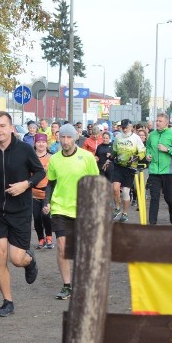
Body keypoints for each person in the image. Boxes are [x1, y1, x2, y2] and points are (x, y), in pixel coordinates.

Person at [0, 111, 43, 318]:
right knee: (0, 254)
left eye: (2, 126)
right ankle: (7, 301)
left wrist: (26, 184)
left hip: (20, 210)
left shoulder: (24, 149)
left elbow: (40, 172)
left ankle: (29, 261)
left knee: (16, 258)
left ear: (12, 128)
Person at [43, 124, 100, 300]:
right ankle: (67, 285)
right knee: (62, 247)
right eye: (62, 137)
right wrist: (46, 202)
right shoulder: (55, 159)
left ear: (75, 138)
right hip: (60, 207)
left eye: (69, 137)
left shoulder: (87, 157)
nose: (65, 141)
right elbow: (51, 183)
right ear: (58, 138)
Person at [145, 113, 172, 225]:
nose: (157, 122)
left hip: (168, 171)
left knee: (168, 197)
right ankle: (152, 223)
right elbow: (148, 147)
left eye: (160, 121)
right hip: (154, 171)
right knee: (154, 197)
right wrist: (148, 155)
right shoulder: (152, 134)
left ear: (166, 123)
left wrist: (167, 149)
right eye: (156, 120)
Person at [111, 119, 147, 222]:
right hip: (118, 166)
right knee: (115, 188)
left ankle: (125, 213)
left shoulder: (136, 138)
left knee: (126, 192)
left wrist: (136, 157)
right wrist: (110, 158)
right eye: (123, 127)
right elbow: (114, 150)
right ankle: (117, 208)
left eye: (126, 127)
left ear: (131, 127)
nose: (125, 129)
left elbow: (142, 152)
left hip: (130, 167)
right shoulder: (118, 137)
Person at [30, 133, 53, 249]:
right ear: (35, 143)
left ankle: (49, 237)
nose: (41, 144)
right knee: (37, 217)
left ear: (46, 143)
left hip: (47, 192)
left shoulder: (52, 158)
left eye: (43, 142)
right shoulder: (31, 157)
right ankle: (41, 239)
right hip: (34, 193)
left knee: (46, 216)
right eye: (38, 142)